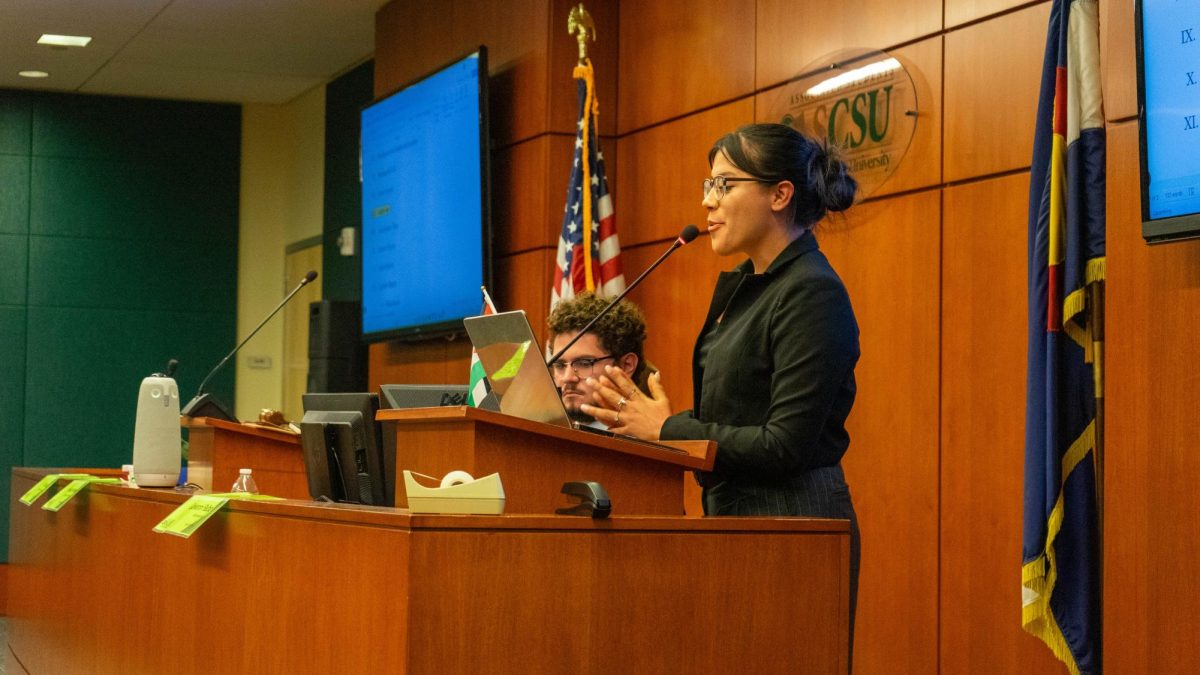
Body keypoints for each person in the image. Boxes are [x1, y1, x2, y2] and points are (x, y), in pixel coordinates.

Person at [579, 123, 862, 668]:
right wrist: (654, 425)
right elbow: (732, 419)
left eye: (725, 186)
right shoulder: (747, 287)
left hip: (794, 532)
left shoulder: (811, 292)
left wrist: (666, 429)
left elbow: (784, 445)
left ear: (780, 195)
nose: (707, 202)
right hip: (736, 523)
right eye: (708, 184)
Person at [546, 291, 649, 429]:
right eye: (559, 365)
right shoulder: (538, 440)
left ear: (626, 365)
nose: (567, 378)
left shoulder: (646, 446)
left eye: (584, 363)